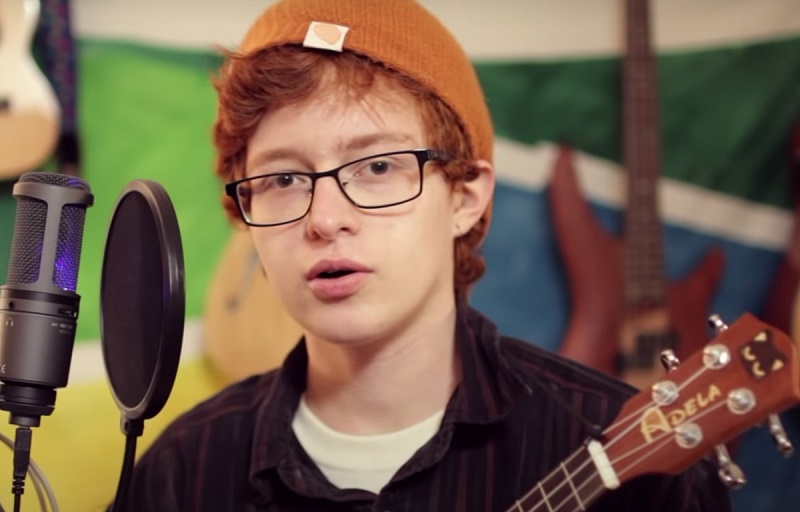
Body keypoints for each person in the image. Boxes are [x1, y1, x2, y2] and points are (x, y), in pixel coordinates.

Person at [120, 1, 732, 510]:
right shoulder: (180, 473)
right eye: (283, 179)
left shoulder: (629, 455)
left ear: (465, 197)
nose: (325, 219)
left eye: (379, 166)